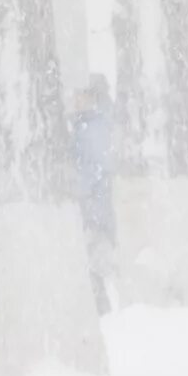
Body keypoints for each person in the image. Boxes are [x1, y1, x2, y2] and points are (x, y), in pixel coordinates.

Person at [70, 74, 117, 315]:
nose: (76, 99)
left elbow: (98, 167)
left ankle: (102, 310)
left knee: (92, 264)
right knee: (90, 264)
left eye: (81, 95)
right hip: (93, 207)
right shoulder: (84, 123)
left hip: (95, 208)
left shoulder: (93, 126)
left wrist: (78, 187)